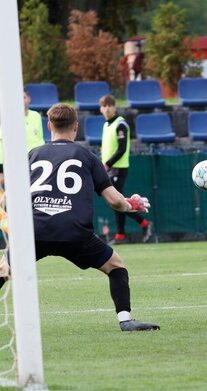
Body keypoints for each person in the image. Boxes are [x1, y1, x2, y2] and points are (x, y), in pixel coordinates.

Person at [0, 103, 159, 331]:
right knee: (116, 266)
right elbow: (115, 201)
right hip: (74, 231)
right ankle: (126, 320)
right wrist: (131, 204)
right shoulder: (87, 156)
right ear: (76, 127)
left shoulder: (32, 155)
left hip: (35, 230)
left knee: (4, 270)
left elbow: (7, 201)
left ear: (49, 126)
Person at [99, 94, 152, 244]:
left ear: (114, 107)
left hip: (118, 169)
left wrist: (107, 163)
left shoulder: (121, 124)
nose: (107, 108)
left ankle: (126, 232)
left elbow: (122, 149)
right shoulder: (106, 125)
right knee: (116, 201)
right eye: (104, 106)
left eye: (110, 105)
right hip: (109, 169)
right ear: (101, 109)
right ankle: (137, 226)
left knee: (116, 201)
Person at [0, 90, 46, 186]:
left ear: (29, 99)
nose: (21, 101)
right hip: (12, 161)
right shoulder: (6, 117)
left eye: (23, 97)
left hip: (34, 159)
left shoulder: (36, 116)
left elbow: (40, 139)